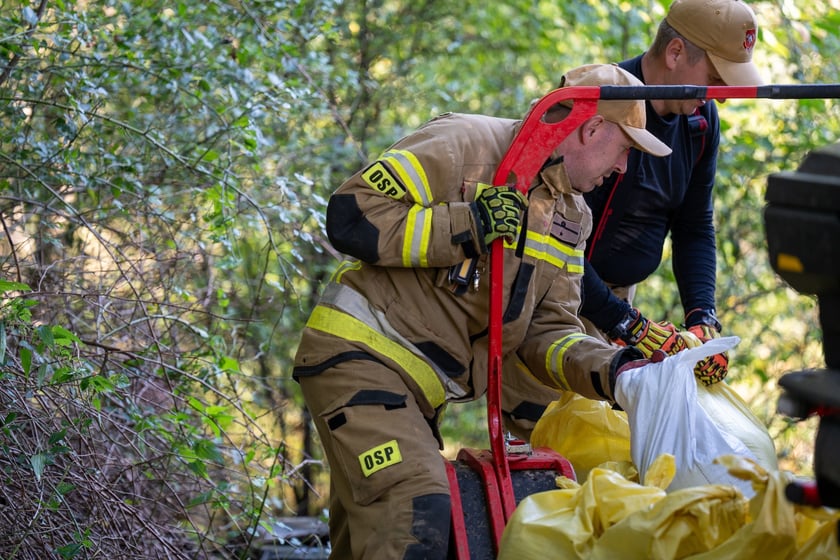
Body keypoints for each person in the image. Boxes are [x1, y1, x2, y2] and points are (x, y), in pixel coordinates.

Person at [292, 63, 672, 559]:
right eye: (626, 148)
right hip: (360, 356)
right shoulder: (464, 143)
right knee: (417, 510)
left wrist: (617, 372)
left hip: (417, 392)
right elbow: (351, 215)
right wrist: (469, 223)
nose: (623, 168)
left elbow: (548, 331)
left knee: (371, 540)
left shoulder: (571, 216)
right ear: (592, 127)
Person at [502, 0, 764, 439]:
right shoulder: (601, 104)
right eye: (714, 77)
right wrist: (627, 322)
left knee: (606, 448)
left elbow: (694, 223)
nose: (717, 91)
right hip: (554, 303)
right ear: (675, 52)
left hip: (617, 307)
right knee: (545, 444)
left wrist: (703, 316)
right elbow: (544, 234)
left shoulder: (700, 122)